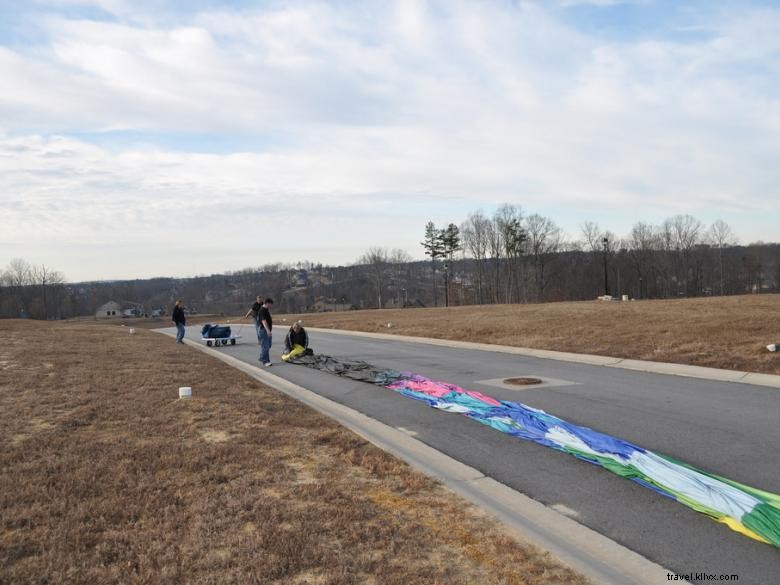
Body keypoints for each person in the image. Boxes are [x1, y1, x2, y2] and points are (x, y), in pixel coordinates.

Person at [257, 298, 274, 366]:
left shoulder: (266, 310)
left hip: (267, 330)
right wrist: (268, 331)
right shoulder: (262, 310)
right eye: (270, 305)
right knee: (265, 346)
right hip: (264, 331)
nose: (271, 306)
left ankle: (262, 357)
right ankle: (266, 361)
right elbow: (264, 321)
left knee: (269, 345)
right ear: (267, 303)